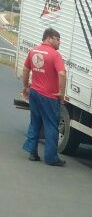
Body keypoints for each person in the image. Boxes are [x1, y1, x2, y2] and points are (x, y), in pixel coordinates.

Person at [21, 27, 67, 167]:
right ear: (49, 38)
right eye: (57, 39)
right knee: (51, 125)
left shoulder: (33, 50)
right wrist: (61, 92)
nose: (59, 42)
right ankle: (51, 158)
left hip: (34, 93)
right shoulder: (55, 55)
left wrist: (26, 86)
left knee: (35, 122)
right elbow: (62, 73)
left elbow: (25, 69)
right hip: (49, 96)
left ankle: (32, 152)